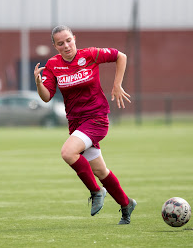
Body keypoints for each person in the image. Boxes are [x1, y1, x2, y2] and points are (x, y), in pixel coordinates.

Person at [34, 25, 136, 225]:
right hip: (76, 123)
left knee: (68, 153)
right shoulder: (53, 65)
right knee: (100, 171)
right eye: (60, 43)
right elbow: (46, 97)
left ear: (74, 38)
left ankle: (96, 191)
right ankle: (126, 204)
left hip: (97, 119)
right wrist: (38, 83)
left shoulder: (89, 55)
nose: (66, 46)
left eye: (69, 40)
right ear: (55, 46)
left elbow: (120, 56)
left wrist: (117, 84)